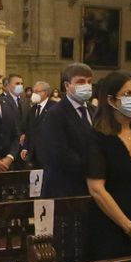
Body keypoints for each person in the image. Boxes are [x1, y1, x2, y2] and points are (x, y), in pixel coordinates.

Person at [84, 71, 131, 259]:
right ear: (111, 100)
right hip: (110, 223)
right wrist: (128, 226)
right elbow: (96, 189)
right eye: (128, 94)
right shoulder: (97, 138)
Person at [33, 63, 97, 198]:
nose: (86, 85)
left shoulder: (94, 111)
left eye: (89, 82)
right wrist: (93, 169)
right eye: (80, 82)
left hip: (91, 186)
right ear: (67, 86)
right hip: (64, 186)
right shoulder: (55, 113)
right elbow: (60, 153)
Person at [21, 80, 52, 161]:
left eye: (37, 91)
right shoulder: (32, 109)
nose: (33, 94)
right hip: (33, 153)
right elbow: (29, 130)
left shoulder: (54, 107)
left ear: (45, 92)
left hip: (48, 153)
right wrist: (25, 148)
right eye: (33, 91)